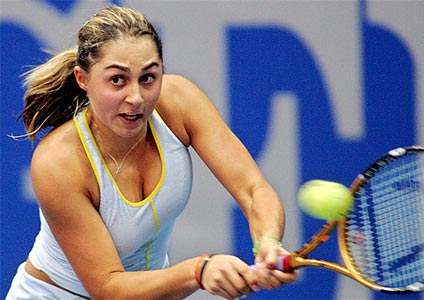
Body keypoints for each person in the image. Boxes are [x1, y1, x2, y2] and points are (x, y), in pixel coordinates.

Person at [6, 5, 297, 300]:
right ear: (83, 79)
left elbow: (253, 189)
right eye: (117, 80)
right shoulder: (58, 162)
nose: (136, 98)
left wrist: (268, 241)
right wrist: (199, 270)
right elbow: (110, 288)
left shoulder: (179, 102)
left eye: (148, 78)